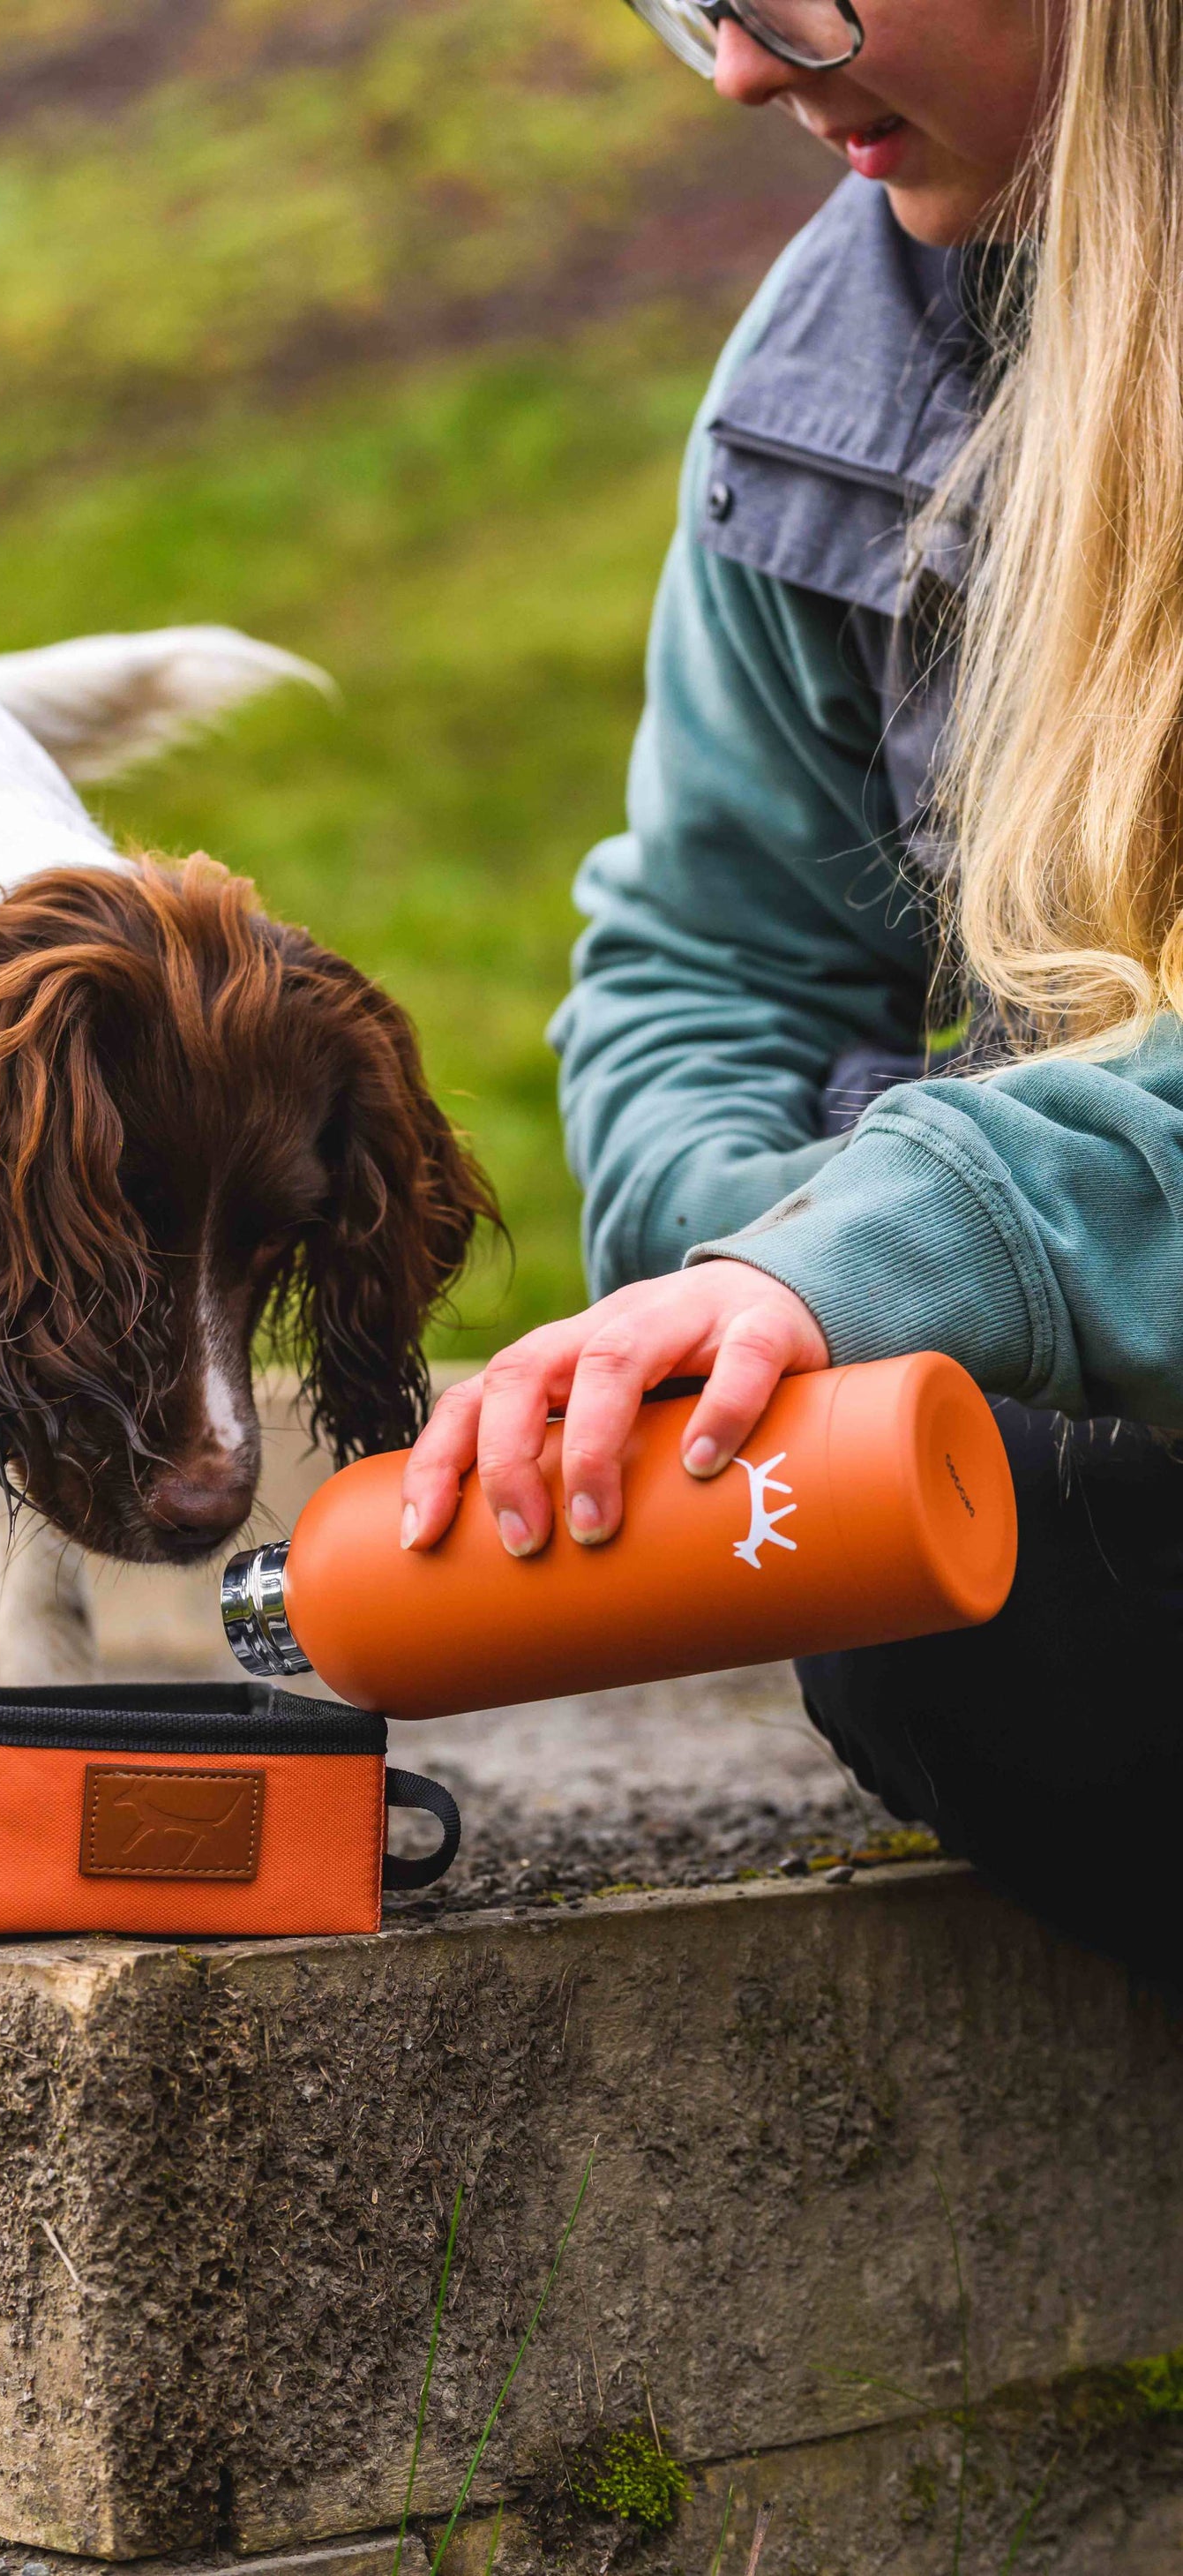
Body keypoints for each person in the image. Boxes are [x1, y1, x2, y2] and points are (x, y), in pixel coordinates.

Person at [402, 0, 1183, 1977]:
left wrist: (918, 1233)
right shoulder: (823, 388)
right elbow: (699, 968)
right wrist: (762, 1292)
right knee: (939, 1598)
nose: (742, 67)